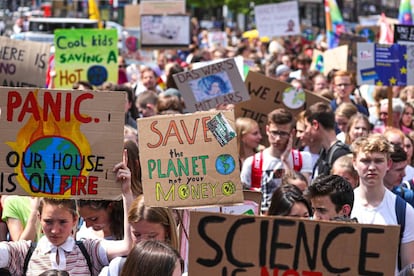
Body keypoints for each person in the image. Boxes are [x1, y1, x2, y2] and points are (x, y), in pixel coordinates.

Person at [0, 151, 134, 275]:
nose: (55, 230)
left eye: (63, 222)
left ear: (75, 219)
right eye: (48, 221)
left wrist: (126, 193)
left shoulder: (89, 250)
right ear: (39, 218)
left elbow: (128, 246)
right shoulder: (23, 253)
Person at [351, 134, 414, 274]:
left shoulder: (404, 211)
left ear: (388, 164)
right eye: (365, 161)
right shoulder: (343, 206)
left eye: (378, 161)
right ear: (354, 163)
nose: (372, 167)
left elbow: (408, 269)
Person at [241, 108, 313, 213]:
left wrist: (286, 162)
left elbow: (302, 192)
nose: (278, 138)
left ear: (292, 133)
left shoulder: (303, 158)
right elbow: (244, 199)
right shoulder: (252, 162)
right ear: (267, 130)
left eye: (283, 133)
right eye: (274, 133)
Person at [100, 195, 179, 276]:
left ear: (167, 231)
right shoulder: (116, 269)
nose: (143, 241)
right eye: (137, 235)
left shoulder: (178, 268)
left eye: (152, 236)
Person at [304, 102, 351, 179]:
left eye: (307, 126)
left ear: (315, 125)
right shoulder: (324, 151)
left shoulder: (340, 154)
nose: (306, 131)